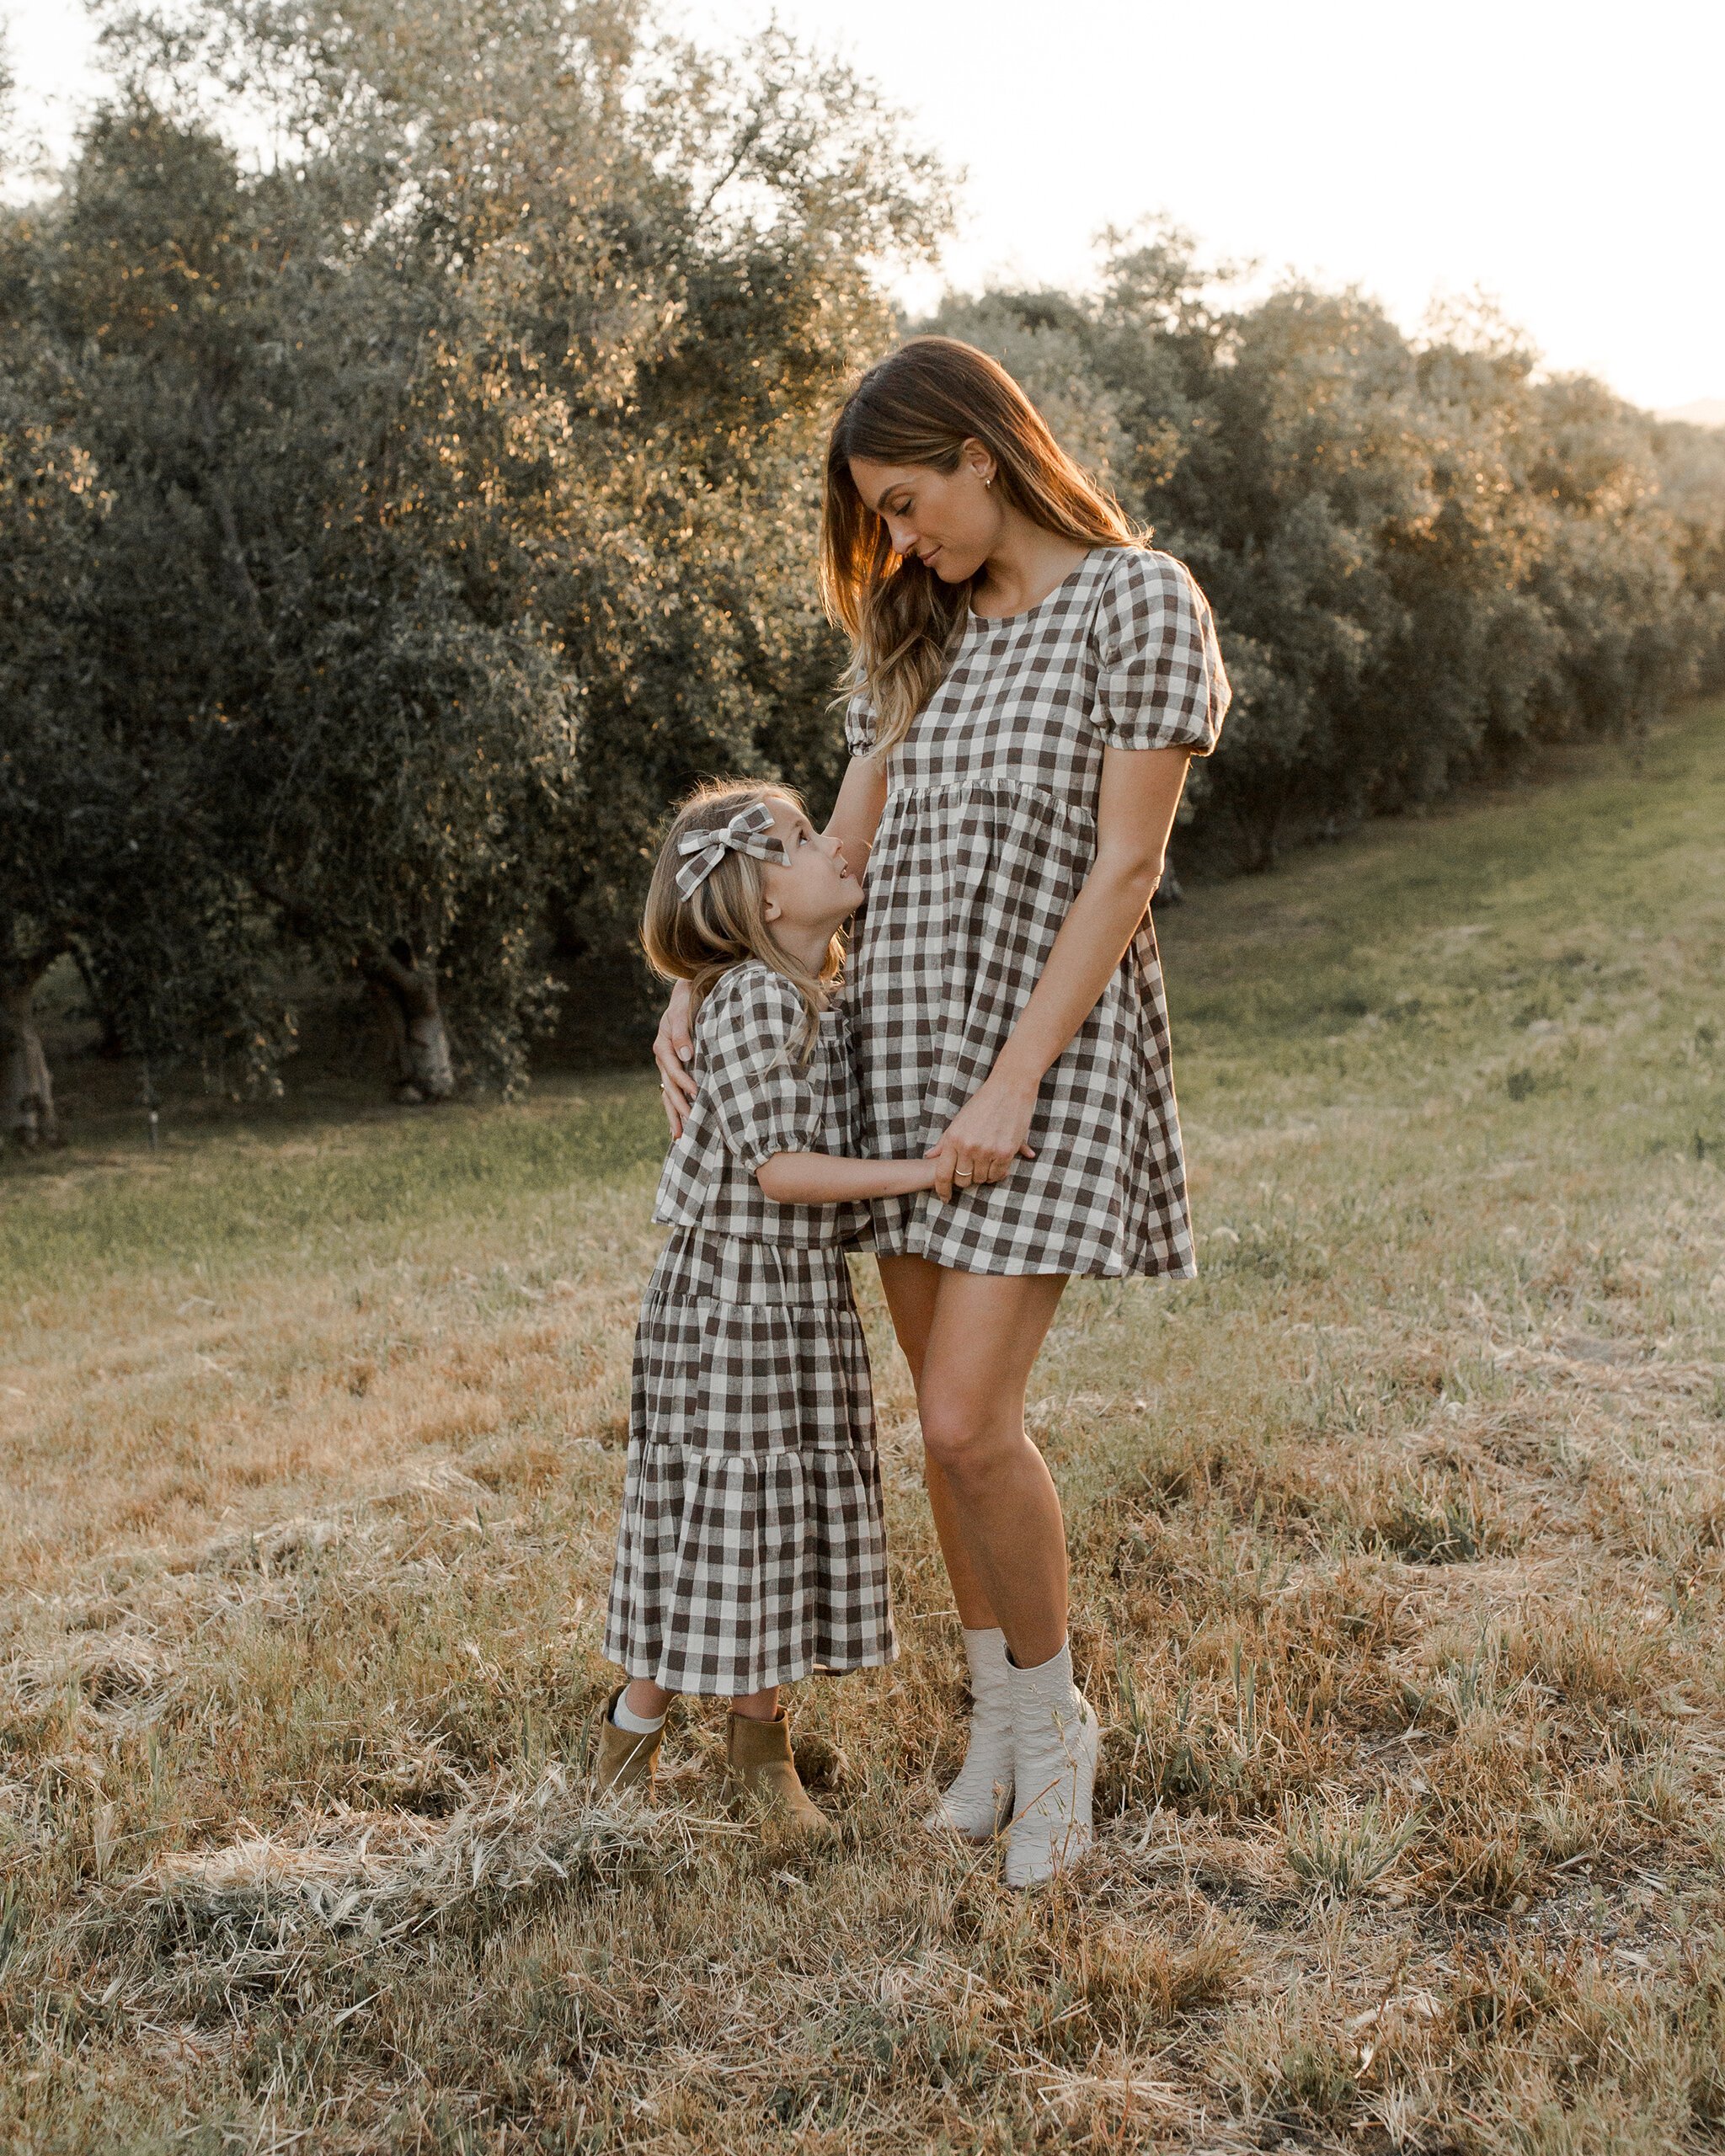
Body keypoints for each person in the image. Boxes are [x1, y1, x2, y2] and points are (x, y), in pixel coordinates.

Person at [656, 337, 1231, 1886]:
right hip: (892, 1060)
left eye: (907, 503)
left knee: (973, 1422)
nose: (899, 542)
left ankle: (1056, 1739)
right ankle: (992, 1720)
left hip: (1036, 1065)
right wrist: (697, 985)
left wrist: (1013, 1078)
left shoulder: (1135, 601)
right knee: (937, 1430)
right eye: (879, 520)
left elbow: (1123, 870)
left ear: (983, 450)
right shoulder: (913, 642)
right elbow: (829, 871)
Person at [598, 780, 945, 1838]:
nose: (834, 841)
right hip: (733, 1297)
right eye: (799, 842)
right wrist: (921, 1170)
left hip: (791, 1295)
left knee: (765, 1521)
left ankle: (756, 1740)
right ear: (758, 903)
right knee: (726, 1517)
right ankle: (634, 1733)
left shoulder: (803, 989)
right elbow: (781, 1170)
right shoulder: (752, 1000)